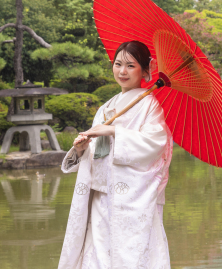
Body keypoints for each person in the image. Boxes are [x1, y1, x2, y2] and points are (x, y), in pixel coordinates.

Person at [58, 41, 173, 269]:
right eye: (118, 64)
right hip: (101, 197)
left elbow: (154, 143)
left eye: (130, 65)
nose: (122, 71)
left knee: (132, 256)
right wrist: (82, 150)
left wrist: (113, 131)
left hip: (131, 198)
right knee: (98, 258)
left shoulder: (150, 105)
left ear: (144, 70)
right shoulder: (105, 108)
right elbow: (99, 153)